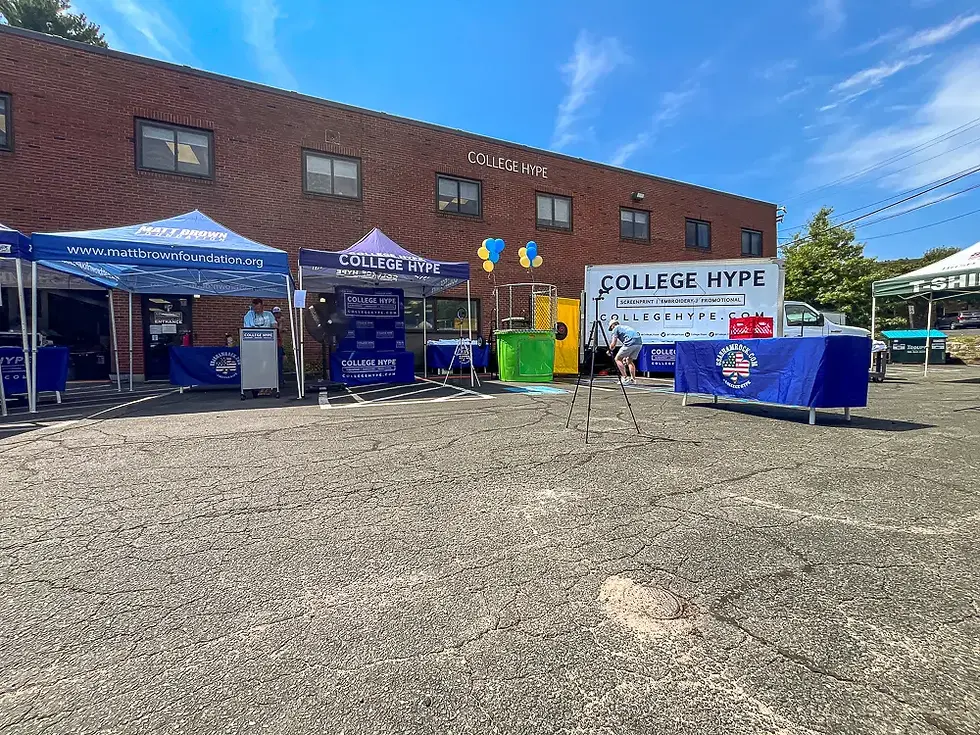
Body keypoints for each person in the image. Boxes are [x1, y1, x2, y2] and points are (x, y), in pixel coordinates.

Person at [607, 318, 643, 384]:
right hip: (639, 343)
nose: (612, 329)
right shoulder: (625, 327)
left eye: (611, 328)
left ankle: (625, 378)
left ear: (612, 325)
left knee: (617, 359)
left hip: (630, 342)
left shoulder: (616, 329)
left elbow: (613, 343)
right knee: (629, 360)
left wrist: (609, 350)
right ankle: (633, 380)